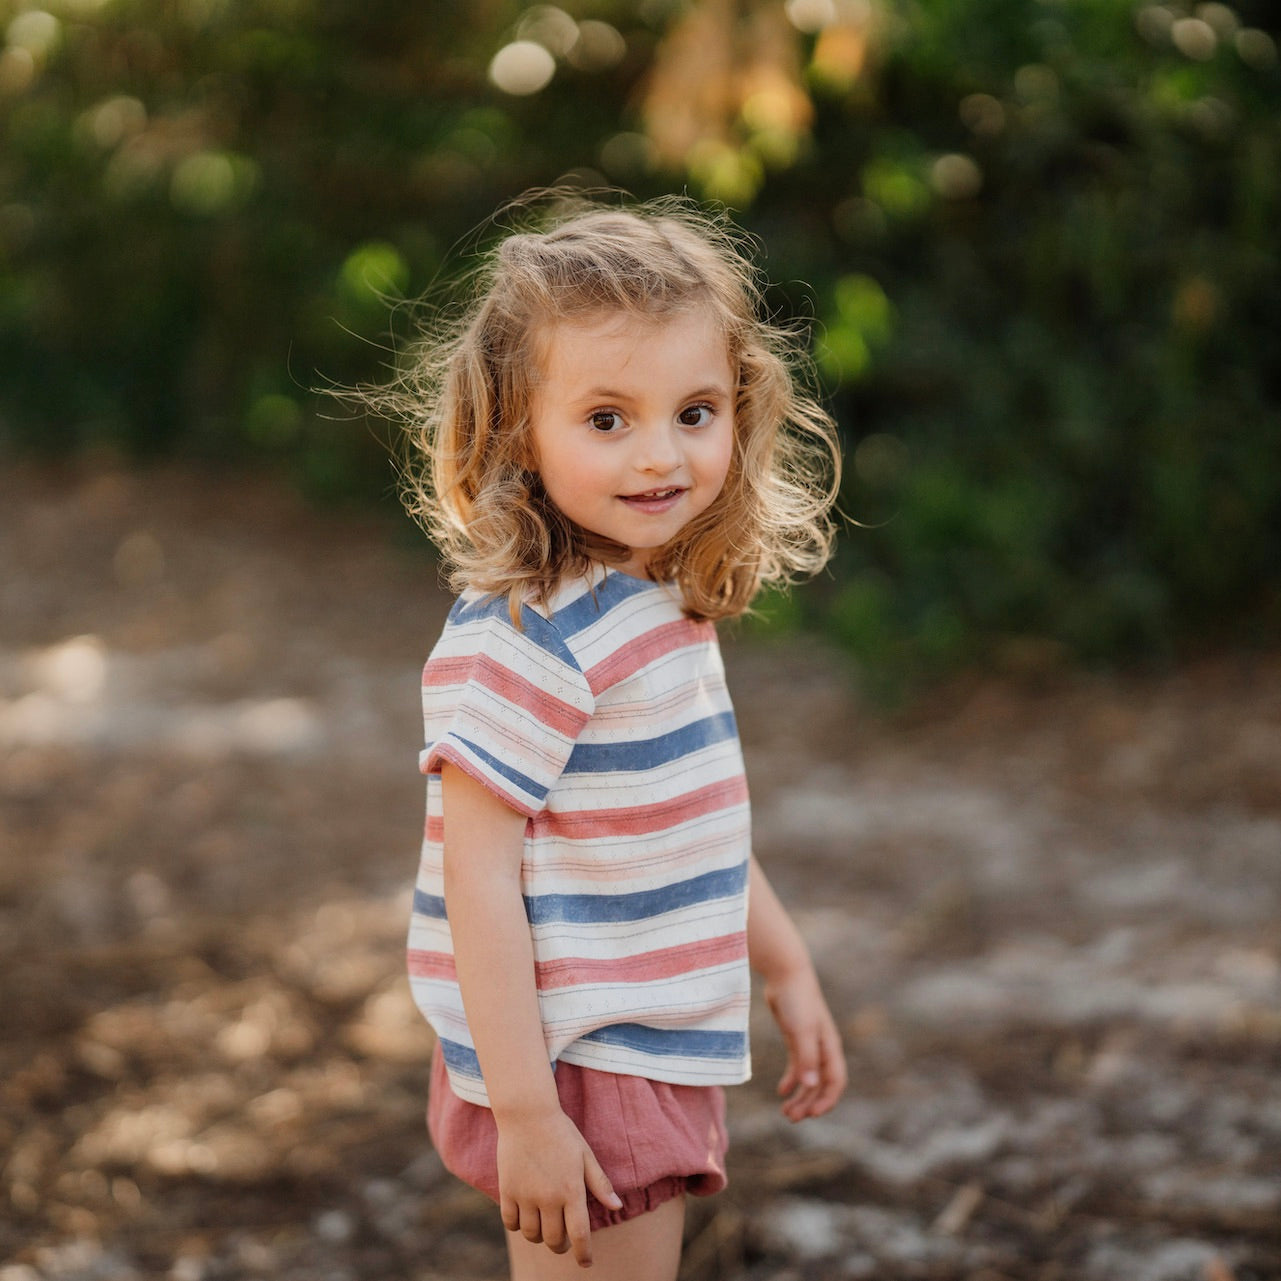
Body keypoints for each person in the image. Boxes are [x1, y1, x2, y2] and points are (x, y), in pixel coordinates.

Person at [396, 194, 848, 1279]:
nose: (660, 456)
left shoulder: (654, 602)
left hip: (638, 1030)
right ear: (518, 431)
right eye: (608, 419)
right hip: (573, 1054)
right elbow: (477, 880)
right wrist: (527, 1113)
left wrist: (783, 966)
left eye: (694, 412)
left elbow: (680, 827)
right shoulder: (533, 634)